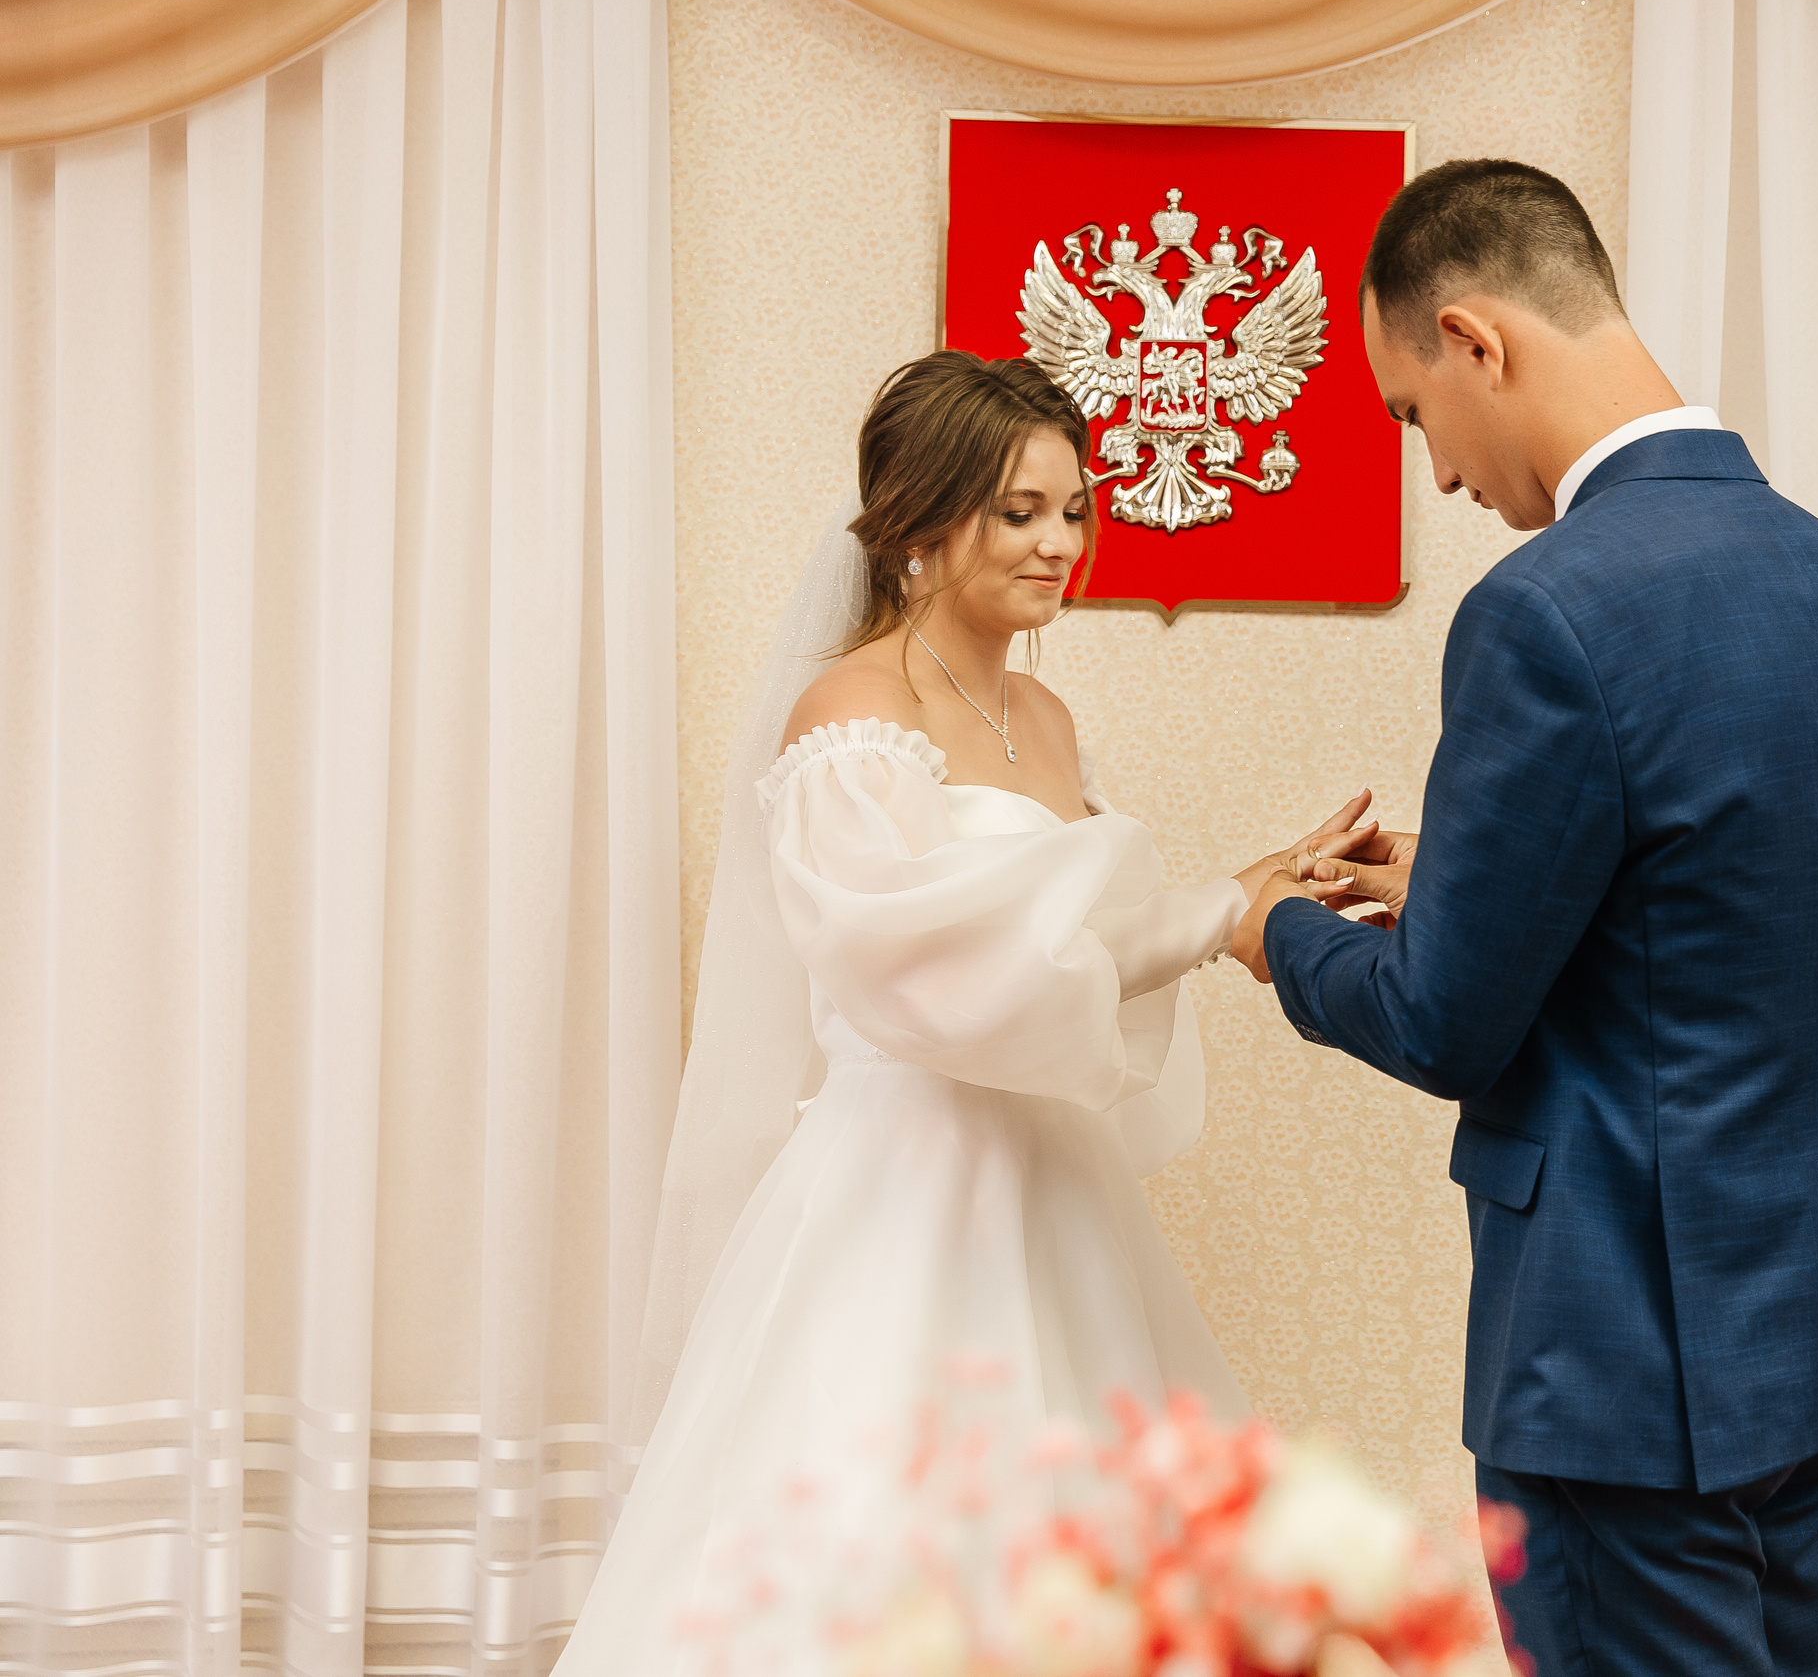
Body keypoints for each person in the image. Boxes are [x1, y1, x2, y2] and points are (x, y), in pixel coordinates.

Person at [558, 351, 1369, 1672]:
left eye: (1075, 508)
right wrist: (1215, 911)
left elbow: (1074, 948)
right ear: (922, 525)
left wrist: (1255, 898)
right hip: (906, 1186)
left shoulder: (1044, 712)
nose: (1062, 544)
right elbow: (926, 970)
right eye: (1020, 512)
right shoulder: (852, 711)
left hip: (1056, 1183)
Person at [1231, 161, 1818, 1676]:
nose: (1442, 478)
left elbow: (1438, 1020)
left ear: (1475, 339)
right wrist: (1471, 874)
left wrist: (1268, 926)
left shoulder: (1547, 608)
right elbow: (1723, 897)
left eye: (1413, 413)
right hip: (1805, 1325)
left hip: (1623, 1358)